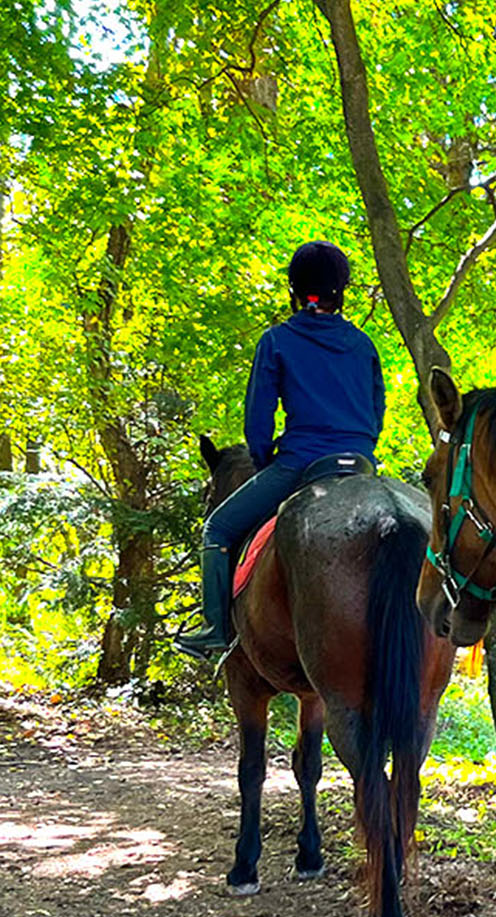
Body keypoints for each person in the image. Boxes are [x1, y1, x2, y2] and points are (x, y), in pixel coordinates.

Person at [177, 240, 388, 660]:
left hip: (301, 463)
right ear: (339, 290)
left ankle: (216, 629)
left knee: (217, 530)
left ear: (295, 289)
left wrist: (264, 461)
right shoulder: (363, 345)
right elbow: (377, 409)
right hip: (360, 464)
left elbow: (258, 420)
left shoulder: (277, 340)